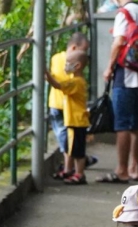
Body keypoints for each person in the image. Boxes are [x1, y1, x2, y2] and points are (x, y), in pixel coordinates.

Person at [101, 0, 138, 184]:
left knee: (122, 124)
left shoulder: (124, 13)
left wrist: (108, 68)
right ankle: (134, 167)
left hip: (125, 75)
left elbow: (119, 42)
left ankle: (122, 169)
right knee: (136, 123)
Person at [45, 50, 91, 186]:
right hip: (76, 121)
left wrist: (47, 74)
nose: (65, 66)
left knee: (78, 150)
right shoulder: (76, 81)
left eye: (68, 64)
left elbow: (58, 86)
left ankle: (80, 174)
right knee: (74, 148)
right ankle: (74, 171)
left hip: (76, 121)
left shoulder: (76, 82)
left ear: (77, 66)